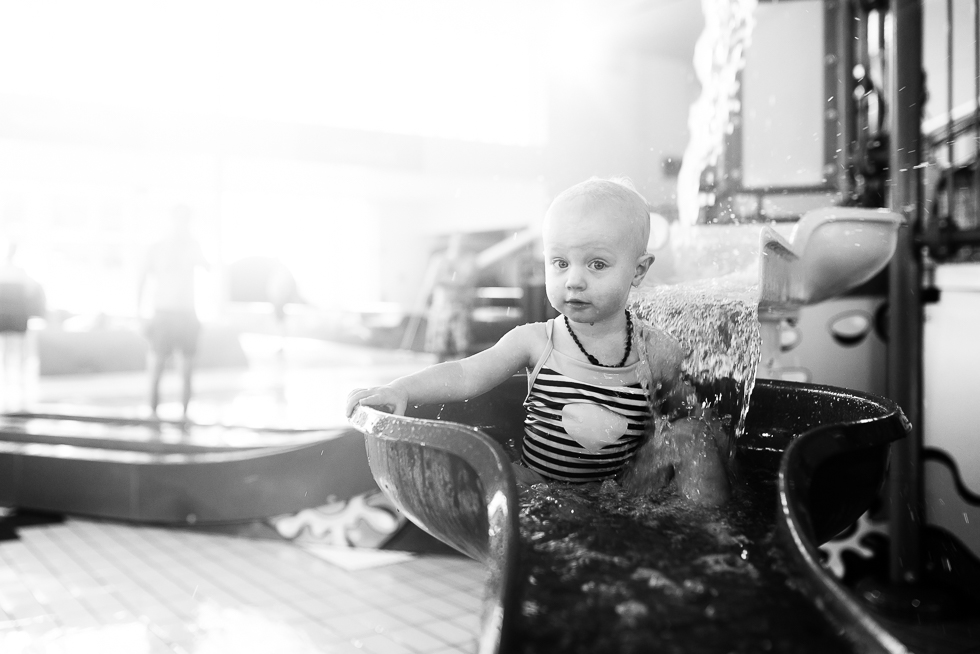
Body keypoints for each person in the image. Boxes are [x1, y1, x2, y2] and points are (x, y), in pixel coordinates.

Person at [347, 178, 730, 503]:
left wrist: (709, 434)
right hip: (541, 484)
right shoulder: (535, 341)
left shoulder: (655, 351)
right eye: (560, 263)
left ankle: (710, 536)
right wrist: (400, 389)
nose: (574, 280)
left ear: (638, 270)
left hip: (619, 492)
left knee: (690, 436)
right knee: (495, 475)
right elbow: (465, 374)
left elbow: (688, 411)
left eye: (597, 264)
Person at [137, 205, 209, 421]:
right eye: (179, 220)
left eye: (186, 221)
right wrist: (138, 315)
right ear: (171, 221)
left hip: (187, 315)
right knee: (156, 370)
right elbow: (141, 281)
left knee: (187, 373)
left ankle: (185, 419)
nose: (182, 225)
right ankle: (152, 417)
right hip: (163, 314)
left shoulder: (194, 246)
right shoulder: (156, 248)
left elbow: (210, 270)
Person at [0, 241, 45, 410]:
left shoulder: (5, 271)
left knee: (6, 348)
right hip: (16, 315)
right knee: (15, 348)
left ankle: (10, 380)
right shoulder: (20, 273)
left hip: (5, 315)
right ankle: (15, 381)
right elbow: (32, 290)